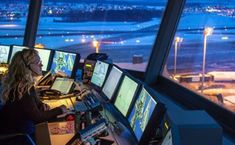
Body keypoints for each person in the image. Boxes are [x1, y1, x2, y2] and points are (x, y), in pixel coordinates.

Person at [0, 49, 67, 136]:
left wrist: (41, 105)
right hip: (18, 135)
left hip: (13, 128)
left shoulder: (21, 84)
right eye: (38, 63)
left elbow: (31, 106)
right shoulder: (22, 89)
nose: (41, 65)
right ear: (27, 66)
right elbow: (37, 117)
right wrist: (60, 109)